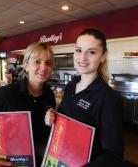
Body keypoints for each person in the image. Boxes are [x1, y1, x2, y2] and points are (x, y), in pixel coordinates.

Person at [45, 28, 124, 167]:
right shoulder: (71, 86)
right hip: (62, 159)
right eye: (79, 50)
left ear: (103, 56)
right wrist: (53, 119)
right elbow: (66, 120)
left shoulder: (108, 98)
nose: (82, 58)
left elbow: (114, 154)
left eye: (91, 52)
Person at [0, 42, 56, 167]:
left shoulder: (49, 94)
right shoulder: (7, 93)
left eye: (47, 63)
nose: (43, 67)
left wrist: (52, 122)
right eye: (37, 62)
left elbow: (45, 130)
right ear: (26, 65)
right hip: (13, 162)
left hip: (42, 160)